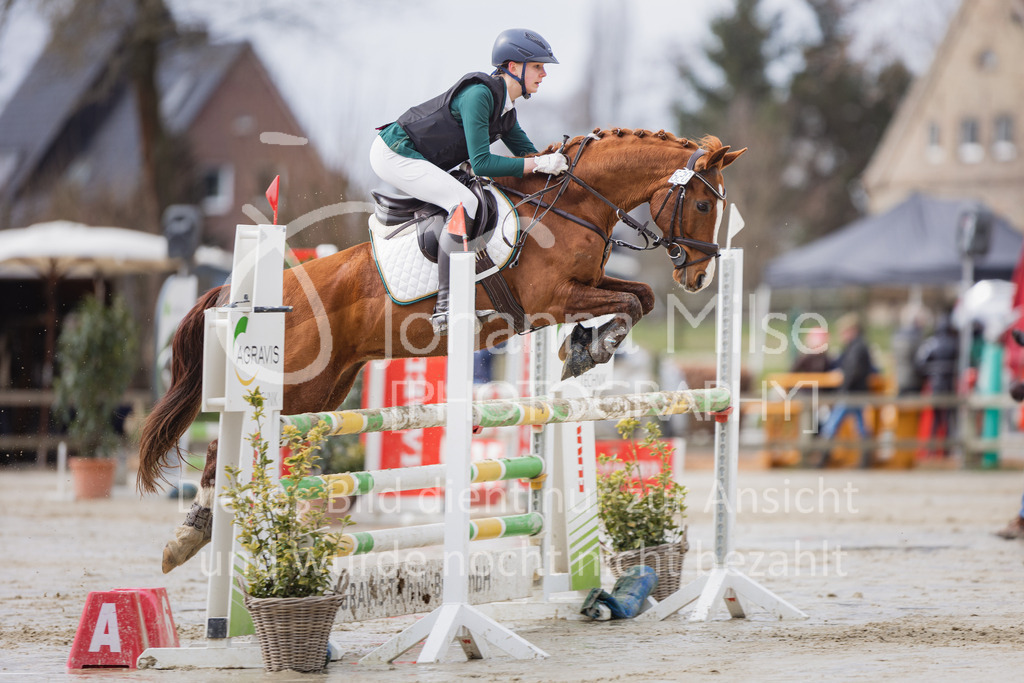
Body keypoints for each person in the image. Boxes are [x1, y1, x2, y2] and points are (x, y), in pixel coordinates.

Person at [370, 28, 568, 335]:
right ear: (513, 67)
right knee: (464, 201)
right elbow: (483, 163)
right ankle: (445, 306)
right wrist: (539, 163)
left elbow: (531, 157)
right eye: (539, 66)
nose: (544, 74)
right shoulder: (480, 95)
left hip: (413, 155)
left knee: (469, 197)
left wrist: (562, 163)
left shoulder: (506, 114)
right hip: (394, 151)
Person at [817, 313, 876, 468]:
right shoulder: (855, 347)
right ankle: (864, 459)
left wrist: (842, 388)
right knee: (861, 426)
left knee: (832, 424)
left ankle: (824, 458)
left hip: (852, 392)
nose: (842, 335)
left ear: (852, 330)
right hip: (855, 392)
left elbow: (853, 371)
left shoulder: (857, 348)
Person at [915, 314, 959, 456]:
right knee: (947, 418)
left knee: (935, 418)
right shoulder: (954, 343)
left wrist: (929, 374)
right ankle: (945, 450)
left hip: (935, 384)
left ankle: (933, 450)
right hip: (949, 385)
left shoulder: (931, 343)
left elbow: (920, 363)